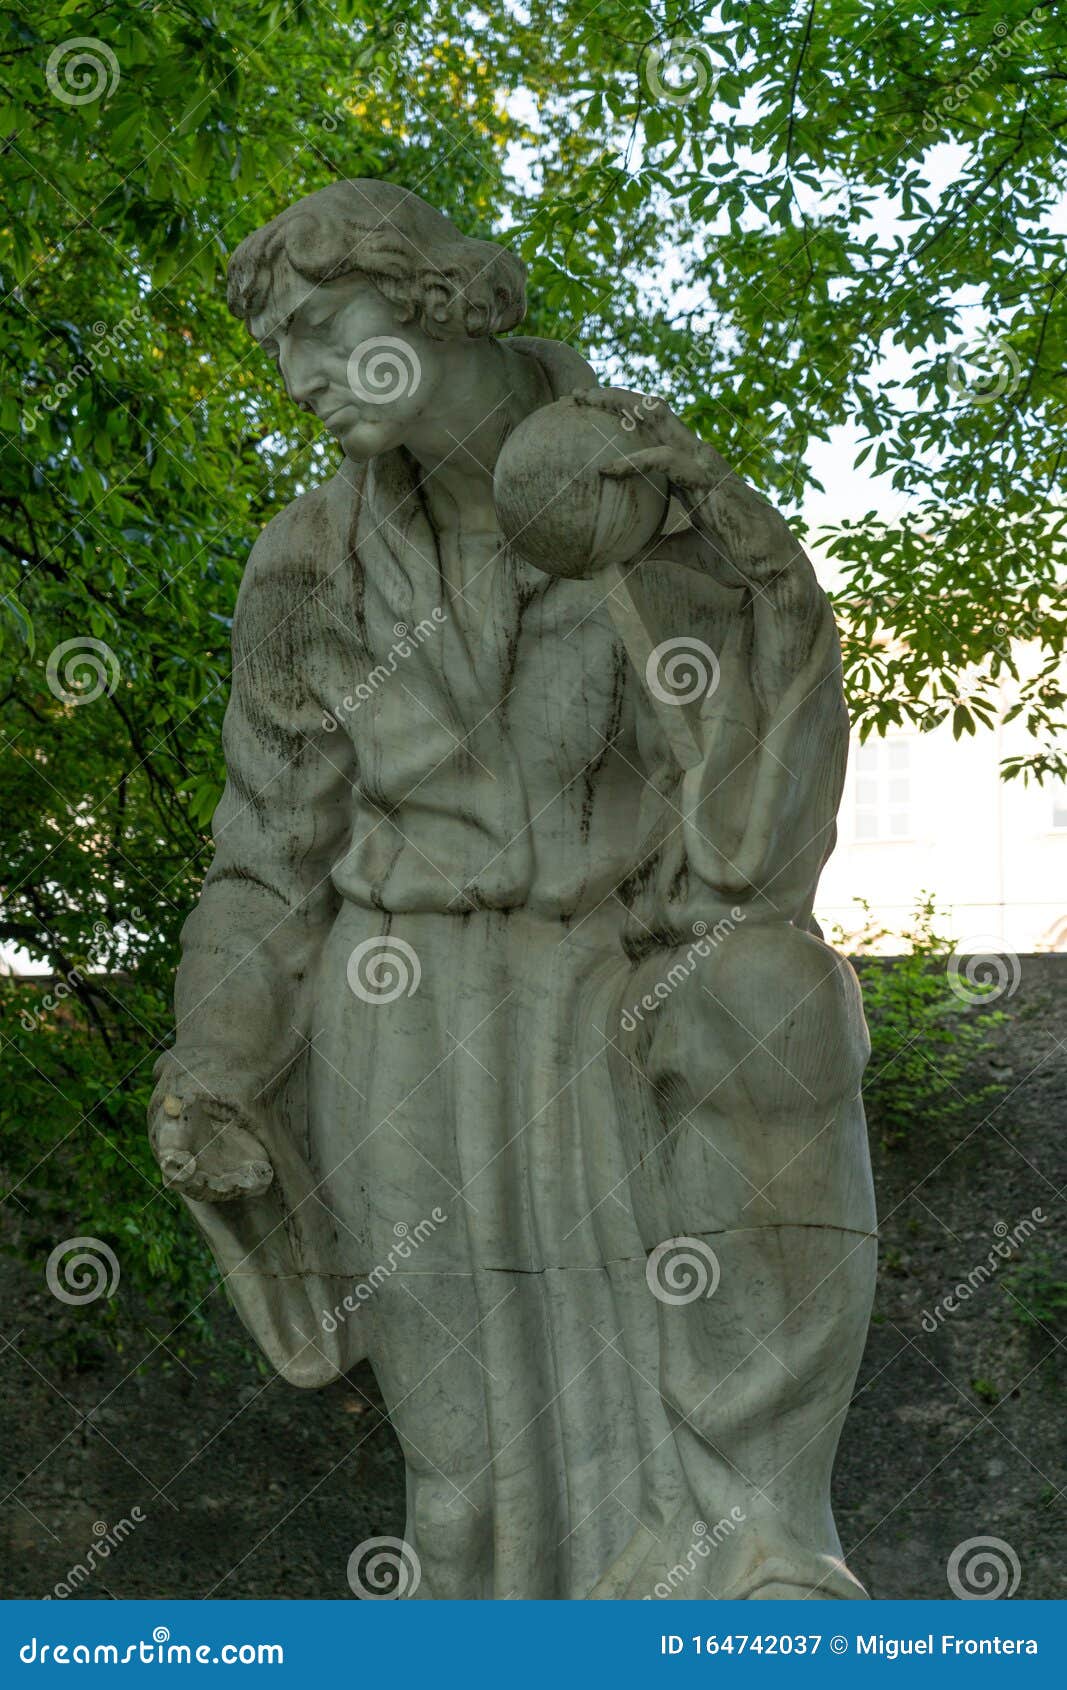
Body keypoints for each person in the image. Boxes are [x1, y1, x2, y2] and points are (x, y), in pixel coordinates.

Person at [149, 179, 876, 1600]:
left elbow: (752, 840)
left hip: (614, 980)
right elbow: (265, 857)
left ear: (430, 295)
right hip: (400, 1002)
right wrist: (216, 1058)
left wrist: (718, 565)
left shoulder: (638, 502)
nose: (298, 380)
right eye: (277, 351)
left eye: (317, 327)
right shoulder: (306, 563)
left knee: (774, 1004)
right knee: (468, 1474)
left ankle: (764, 1544)